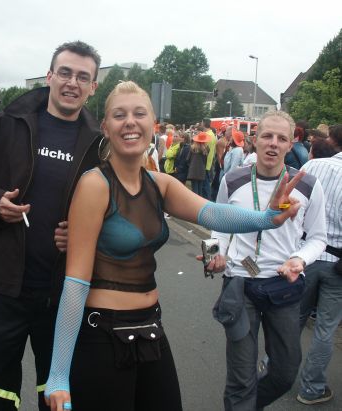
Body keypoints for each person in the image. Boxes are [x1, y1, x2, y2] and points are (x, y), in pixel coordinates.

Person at [44, 83, 305, 411]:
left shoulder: (160, 184)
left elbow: (212, 213)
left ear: (152, 123)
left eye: (139, 113)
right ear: (105, 127)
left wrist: (267, 218)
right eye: (119, 115)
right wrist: (58, 375)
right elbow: (76, 281)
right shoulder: (95, 184)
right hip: (102, 335)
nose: (130, 121)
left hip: (151, 326)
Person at [0, 41, 102, 411]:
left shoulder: (99, 143)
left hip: (63, 295)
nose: (72, 83)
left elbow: (114, 209)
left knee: (58, 397)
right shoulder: (8, 123)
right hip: (3, 288)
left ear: (93, 87)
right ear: (49, 76)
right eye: (65, 73)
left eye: (83, 77)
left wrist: (81, 236)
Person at [205, 110, 327, 411]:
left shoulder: (307, 184)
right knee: (241, 377)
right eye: (267, 136)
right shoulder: (233, 180)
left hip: (282, 287)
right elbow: (219, 224)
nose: (273, 143)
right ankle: (242, 402)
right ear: (255, 139)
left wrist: (299, 258)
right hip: (240, 282)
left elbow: (318, 237)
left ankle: (245, 404)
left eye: (281, 138)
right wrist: (215, 253)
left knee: (285, 372)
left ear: (290, 144)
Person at [297, 124, 342, 405]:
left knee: (293, 318)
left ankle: (274, 369)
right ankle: (311, 388)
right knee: (326, 328)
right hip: (337, 263)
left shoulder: (313, 166)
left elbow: (292, 205)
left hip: (306, 254)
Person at [187, 131, 210, 196]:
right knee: (200, 189)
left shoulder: (192, 148)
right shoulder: (207, 149)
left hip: (193, 170)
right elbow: (205, 160)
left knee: (194, 189)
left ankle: (195, 201)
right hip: (202, 170)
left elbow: (188, 159)